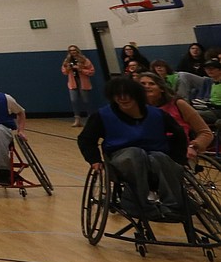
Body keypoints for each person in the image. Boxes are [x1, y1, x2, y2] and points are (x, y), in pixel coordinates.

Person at [77, 76, 188, 222]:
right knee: (135, 153)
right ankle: (137, 204)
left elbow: (179, 134)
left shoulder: (157, 114)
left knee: (160, 157)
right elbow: (86, 139)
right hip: (121, 158)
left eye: (127, 94)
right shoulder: (103, 115)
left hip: (155, 158)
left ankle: (173, 206)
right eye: (118, 95)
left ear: (136, 95)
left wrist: (179, 159)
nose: (123, 98)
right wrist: (94, 160)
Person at [138, 72, 213, 160]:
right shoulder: (135, 108)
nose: (146, 86)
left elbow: (206, 133)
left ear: (161, 88)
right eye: (142, 84)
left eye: (151, 84)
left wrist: (193, 146)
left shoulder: (178, 104)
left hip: (178, 150)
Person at [62, 45, 95, 127]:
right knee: (74, 101)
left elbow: (91, 71)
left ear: (77, 51)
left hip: (83, 82)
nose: (73, 52)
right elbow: (64, 71)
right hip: (73, 83)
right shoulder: (67, 61)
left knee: (86, 101)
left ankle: (90, 118)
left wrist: (81, 69)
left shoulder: (84, 60)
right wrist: (68, 68)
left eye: (74, 50)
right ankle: (77, 119)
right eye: (71, 51)